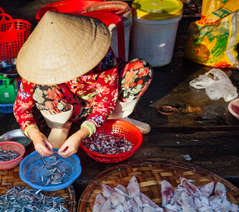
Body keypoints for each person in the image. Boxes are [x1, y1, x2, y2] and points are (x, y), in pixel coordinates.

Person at [14, 11, 152, 157]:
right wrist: (35, 134)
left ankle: (117, 116)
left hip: (106, 100)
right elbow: (21, 108)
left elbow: (104, 104)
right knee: (41, 89)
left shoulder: (101, 57)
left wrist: (80, 134)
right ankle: (60, 126)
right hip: (69, 105)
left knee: (140, 70)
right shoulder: (38, 64)